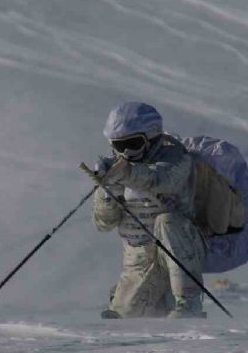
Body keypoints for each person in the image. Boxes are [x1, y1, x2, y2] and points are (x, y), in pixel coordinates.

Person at [91, 102, 215, 319]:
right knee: (128, 320)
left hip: (180, 249)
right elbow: (104, 223)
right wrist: (107, 190)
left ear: (152, 137)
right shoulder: (119, 171)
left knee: (167, 221)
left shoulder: (176, 159)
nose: (126, 152)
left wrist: (124, 173)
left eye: (133, 144)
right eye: (119, 146)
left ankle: (189, 303)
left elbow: (159, 179)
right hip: (139, 259)